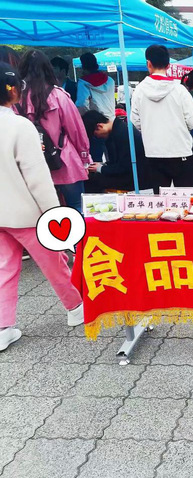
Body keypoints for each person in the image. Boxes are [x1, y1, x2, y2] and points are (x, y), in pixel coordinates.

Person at [0, 62, 84, 351]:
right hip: (26, 214)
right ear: (13, 91)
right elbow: (37, 178)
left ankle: (3, 327)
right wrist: (53, 214)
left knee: (4, 269)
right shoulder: (19, 125)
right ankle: (76, 307)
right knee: (54, 263)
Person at [17, 50, 92, 213]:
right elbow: (76, 130)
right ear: (48, 68)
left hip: (29, 164)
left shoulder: (15, 99)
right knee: (76, 209)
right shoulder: (58, 96)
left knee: (38, 212)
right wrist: (84, 157)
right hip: (63, 160)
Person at [130, 44, 193, 194]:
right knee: (185, 198)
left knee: (160, 199)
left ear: (148, 63)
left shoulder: (139, 90)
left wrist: (149, 129)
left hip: (153, 151)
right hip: (180, 150)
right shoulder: (180, 90)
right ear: (168, 65)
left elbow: (135, 120)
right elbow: (192, 120)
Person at [82, 111, 150, 192]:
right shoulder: (119, 129)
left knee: (90, 180)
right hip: (132, 174)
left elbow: (125, 167)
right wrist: (103, 165)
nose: (98, 137)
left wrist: (101, 168)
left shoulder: (122, 134)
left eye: (96, 135)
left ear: (100, 126)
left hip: (136, 179)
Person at [76, 52, 115, 120]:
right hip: (111, 119)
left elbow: (82, 104)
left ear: (83, 67)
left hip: (95, 121)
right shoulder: (110, 80)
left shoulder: (83, 83)